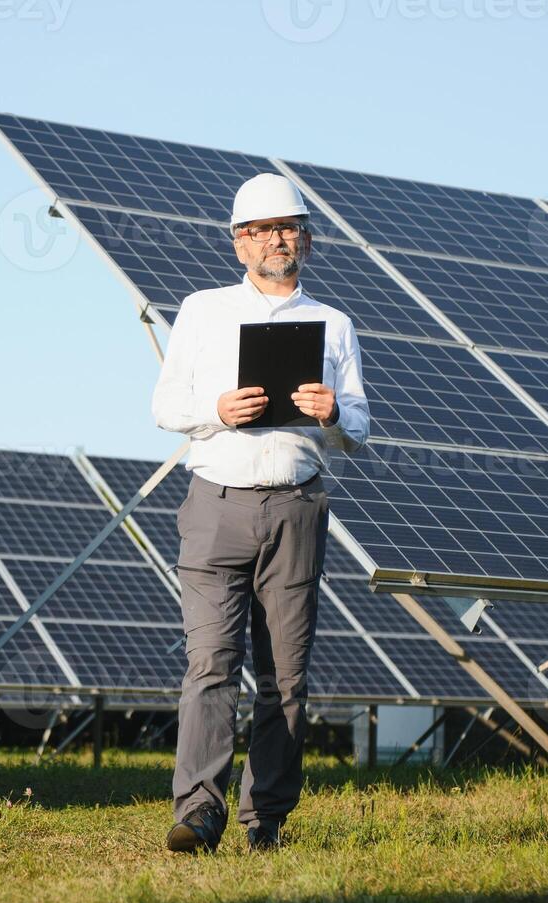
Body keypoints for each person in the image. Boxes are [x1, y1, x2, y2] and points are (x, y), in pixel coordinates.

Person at [152, 173, 370, 853]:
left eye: (290, 227)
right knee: (210, 663)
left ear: (305, 237)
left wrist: (332, 413)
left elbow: (359, 425)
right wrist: (214, 412)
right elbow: (164, 408)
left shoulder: (333, 323)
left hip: (296, 506)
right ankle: (198, 812)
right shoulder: (202, 309)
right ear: (239, 243)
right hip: (215, 503)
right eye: (264, 229)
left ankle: (265, 819)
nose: (279, 239)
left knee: (285, 676)